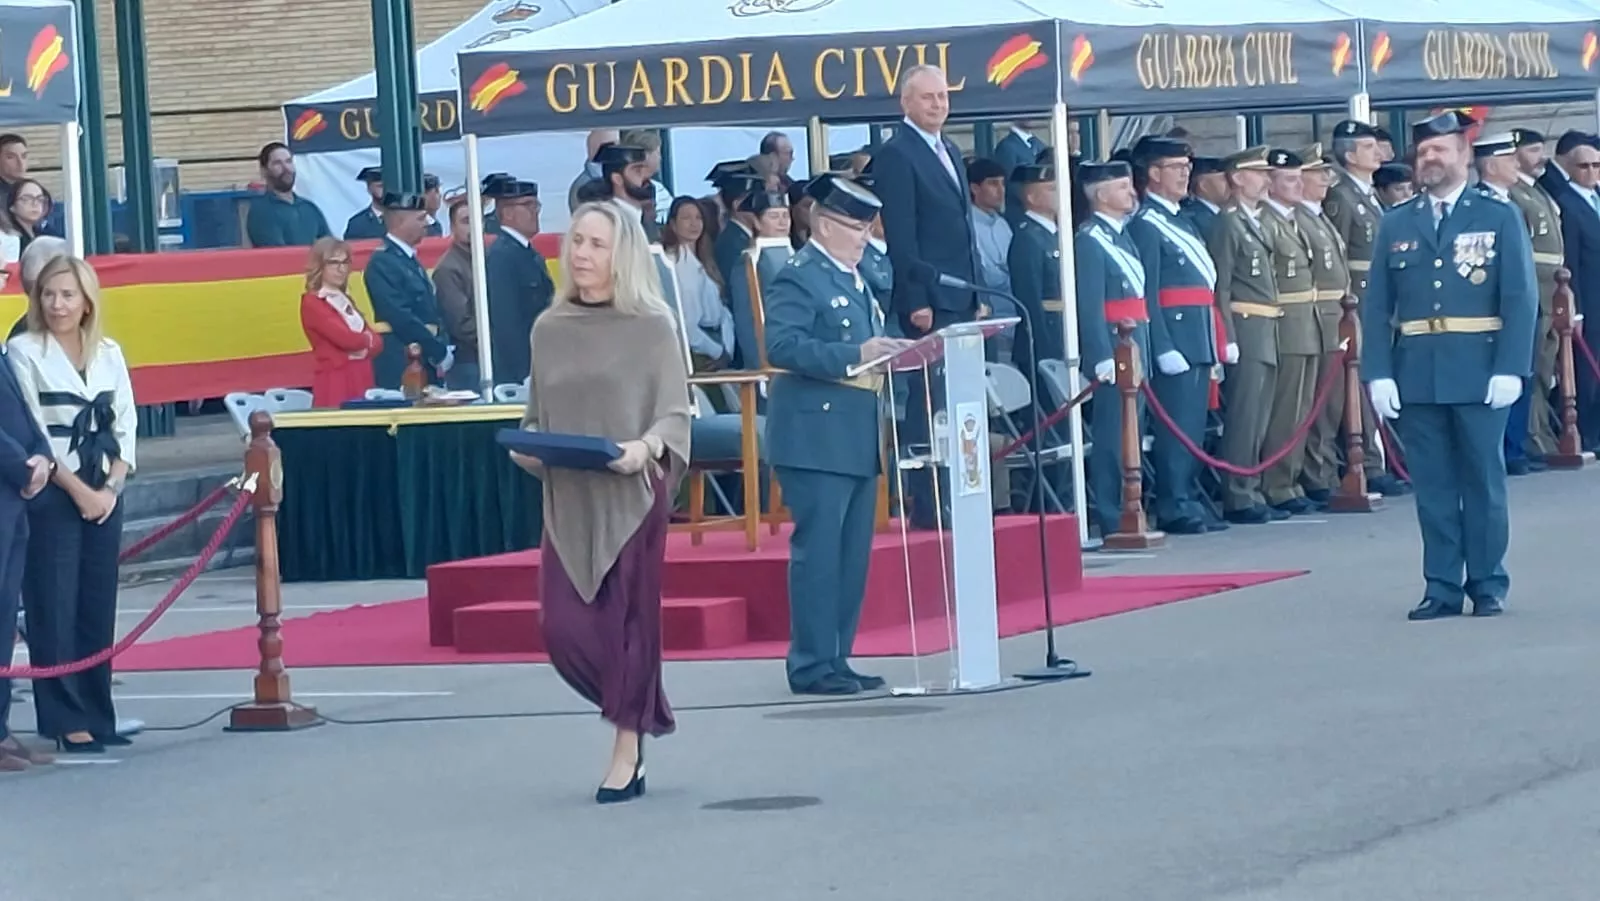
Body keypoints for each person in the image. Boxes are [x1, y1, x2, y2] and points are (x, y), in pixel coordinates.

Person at [507, 201, 691, 803]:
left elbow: (672, 412)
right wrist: (528, 447)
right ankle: (637, 706)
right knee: (562, 629)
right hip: (569, 496)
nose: (581, 254)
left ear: (623, 255)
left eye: (596, 244)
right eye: (577, 242)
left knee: (629, 628)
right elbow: (537, 415)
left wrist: (645, 448)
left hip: (632, 495)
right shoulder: (548, 329)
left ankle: (626, 745)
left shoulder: (652, 326)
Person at [1364, 110, 1538, 621]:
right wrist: (1378, 372)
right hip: (1417, 369)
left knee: (1482, 481)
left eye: (1440, 150)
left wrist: (1511, 367)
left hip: (1480, 368)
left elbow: (1519, 297)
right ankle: (1440, 584)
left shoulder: (1497, 214)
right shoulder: (1398, 220)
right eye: (1423, 153)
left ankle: (1486, 581)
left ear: (1465, 155)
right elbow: (1377, 306)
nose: (1429, 160)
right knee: (1434, 487)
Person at [764, 174, 908, 696]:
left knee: (851, 556)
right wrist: (856, 356)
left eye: (867, 227)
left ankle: (837, 656)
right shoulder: (799, 276)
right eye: (853, 226)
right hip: (815, 433)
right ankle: (810, 663)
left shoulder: (854, 276)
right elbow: (781, 346)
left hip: (854, 431)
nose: (863, 237)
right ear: (823, 225)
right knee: (820, 554)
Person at [7, 255, 137, 753]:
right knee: (52, 604)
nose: (57, 304)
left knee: (95, 604)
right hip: (53, 492)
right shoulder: (23, 351)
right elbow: (32, 430)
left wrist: (110, 489)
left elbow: (125, 423)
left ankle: (97, 709)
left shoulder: (109, 351)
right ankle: (64, 718)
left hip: (105, 488)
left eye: (67, 295)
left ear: (87, 301)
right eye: (49, 294)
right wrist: (78, 491)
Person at [870, 63, 983, 529]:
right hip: (929, 295)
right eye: (928, 97)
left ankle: (960, 487)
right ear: (906, 103)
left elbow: (961, 225)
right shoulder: (898, 153)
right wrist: (916, 299)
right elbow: (903, 232)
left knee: (957, 400)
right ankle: (927, 499)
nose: (938, 105)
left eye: (943, 96)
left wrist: (974, 286)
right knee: (928, 397)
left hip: (961, 290)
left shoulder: (950, 149)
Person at [1128, 136, 1224, 535]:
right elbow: (1146, 289)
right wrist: (1162, 344)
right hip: (1175, 336)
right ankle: (1174, 503)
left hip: (1197, 332)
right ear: (1153, 173)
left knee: (1193, 425)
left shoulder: (1180, 219)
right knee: (1176, 428)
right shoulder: (1147, 224)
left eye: (1187, 167)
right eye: (1176, 167)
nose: (1186, 173)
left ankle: (1187, 495)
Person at [1073, 161, 1154, 538]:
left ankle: (1129, 504)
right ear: (1102, 195)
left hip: (1133, 345)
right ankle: (1110, 513)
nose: (1131, 193)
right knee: (1111, 438)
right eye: (1122, 188)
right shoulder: (1090, 240)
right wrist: (1100, 355)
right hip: (1113, 349)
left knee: (1131, 435)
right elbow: (1089, 305)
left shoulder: (1122, 235)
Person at [1323, 120, 1400, 496]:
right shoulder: (1341, 196)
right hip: (1358, 298)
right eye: (1368, 147)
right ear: (1350, 154)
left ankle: (1382, 457)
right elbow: (1337, 256)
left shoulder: (1367, 194)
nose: (1378, 152)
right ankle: (1369, 461)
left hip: (1377, 299)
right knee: (1360, 384)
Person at [1208, 146, 1281, 525]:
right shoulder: (1228, 222)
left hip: (1266, 324)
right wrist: (1228, 335)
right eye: (1259, 173)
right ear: (1237, 177)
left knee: (1261, 415)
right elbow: (1220, 285)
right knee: (1245, 415)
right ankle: (1238, 493)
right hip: (1246, 323)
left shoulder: (1258, 219)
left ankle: (1252, 485)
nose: (1267, 179)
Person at [0, 308, 55, 771]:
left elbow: (22, 412)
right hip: (7, 482)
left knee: (3, 618)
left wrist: (44, 454)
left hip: (14, 499)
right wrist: (23, 465)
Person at [1257, 149, 1322, 516]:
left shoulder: (1294, 219)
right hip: (1285, 323)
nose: (1299, 185)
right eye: (1290, 180)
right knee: (1284, 410)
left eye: (1300, 178)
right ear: (1270, 183)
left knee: (1301, 410)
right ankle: (1278, 484)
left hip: (1307, 321)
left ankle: (1292, 479)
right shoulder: (1266, 220)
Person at [1294, 145, 1355, 504]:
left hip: (1337, 315)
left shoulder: (1317, 217)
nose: (1325, 180)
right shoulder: (1300, 219)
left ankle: (1326, 469)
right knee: (1320, 404)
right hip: (1319, 316)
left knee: (1333, 404)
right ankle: (1317, 474)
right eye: (1317, 174)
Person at [1508, 128, 1564, 463]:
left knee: (1545, 369)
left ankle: (1541, 433)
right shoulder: (1514, 195)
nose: (1539, 157)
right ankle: (1531, 438)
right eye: (1532, 151)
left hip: (1551, 290)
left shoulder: (1536, 191)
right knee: (1531, 368)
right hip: (1535, 292)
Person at [364, 192, 451, 389]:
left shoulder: (408, 260)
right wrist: (436, 350)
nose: (426, 224)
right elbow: (399, 316)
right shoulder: (383, 263)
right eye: (420, 218)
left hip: (423, 358)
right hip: (403, 362)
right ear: (400, 221)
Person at [1552, 132, 1600, 451]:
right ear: (1568, 167)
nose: (1591, 172)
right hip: (1589, 300)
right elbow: (1570, 262)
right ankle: (1589, 433)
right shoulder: (1566, 204)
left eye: (1597, 165)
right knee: (1587, 372)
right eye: (1584, 166)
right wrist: (1575, 308)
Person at [484, 178, 554, 386]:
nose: (535, 211)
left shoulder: (528, 253)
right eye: (528, 205)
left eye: (536, 205)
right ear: (507, 213)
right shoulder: (502, 256)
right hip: (517, 371)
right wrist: (523, 372)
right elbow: (505, 320)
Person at [299, 237, 381, 407]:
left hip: (361, 375)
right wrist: (366, 340)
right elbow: (346, 339)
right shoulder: (313, 302)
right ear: (320, 266)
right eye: (334, 263)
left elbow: (378, 343)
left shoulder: (344, 298)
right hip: (336, 380)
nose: (341, 269)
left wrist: (365, 344)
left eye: (345, 263)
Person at [661, 196, 734, 371]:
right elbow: (686, 322)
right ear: (673, 224)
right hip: (699, 351)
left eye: (698, 218)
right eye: (686, 218)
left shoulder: (704, 259)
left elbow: (723, 313)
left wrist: (727, 349)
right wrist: (717, 352)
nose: (694, 224)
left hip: (717, 344)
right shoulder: (675, 262)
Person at [727, 188, 791, 370]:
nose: (782, 222)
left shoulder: (797, 256)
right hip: (769, 360)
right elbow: (747, 321)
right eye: (773, 216)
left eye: (785, 216)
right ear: (757, 221)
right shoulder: (750, 261)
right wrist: (759, 365)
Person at [430, 199, 481, 391]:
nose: (474, 226)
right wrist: (497, 338)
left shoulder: (486, 259)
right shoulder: (448, 269)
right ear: (452, 227)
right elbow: (461, 324)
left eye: (478, 219)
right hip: (467, 362)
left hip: (489, 357)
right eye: (467, 221)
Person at [245, 142, 331, 248]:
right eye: (277, 163)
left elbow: (329, 248)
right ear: (264, 171)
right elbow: (278, 256)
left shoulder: (309, 208)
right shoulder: (261, 211)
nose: (286, 168)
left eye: (288, 161)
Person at [594, 143, 661, 242]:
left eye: (645, 170)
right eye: (637, 171)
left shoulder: (646, 217)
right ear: (617, 179)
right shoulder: (606, 219)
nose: (645, 176)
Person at [994, 121, 1047, 224]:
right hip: (1019, 215)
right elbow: (1010, 183)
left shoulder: (1039, 144)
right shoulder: (1007, 147)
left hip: (1040, 215)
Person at [1183, 156, 1229, 241]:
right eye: (1225, 179)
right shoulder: (1196, 219)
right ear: (1204, 185)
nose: (1231, 184)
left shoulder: (1221, 214)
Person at [343, 166, 387, 240]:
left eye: (387, 181)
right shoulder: (357, 224)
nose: (381, 183)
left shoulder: (404, 219)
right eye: (375, 179)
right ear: (368, 187)